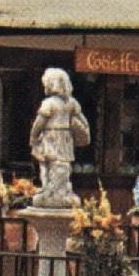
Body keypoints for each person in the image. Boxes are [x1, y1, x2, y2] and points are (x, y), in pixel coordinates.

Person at [30, 68, 90, 207]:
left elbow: (39, 122)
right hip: (65, 137)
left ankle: (50, 190)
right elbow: (83, 120)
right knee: (62, 164)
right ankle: (57, 190)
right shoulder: (71, 102)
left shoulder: (49, 103)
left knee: (48, 164)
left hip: (51, 136)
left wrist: (33, 136)